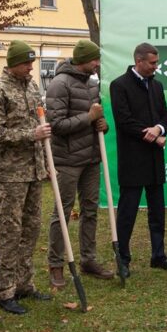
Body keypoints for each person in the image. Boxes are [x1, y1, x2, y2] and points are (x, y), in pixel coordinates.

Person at [0, 40, 52, 315]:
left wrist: (46, 160)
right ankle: (4, 289)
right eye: (26, 62)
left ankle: (25, 283)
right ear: (13, 63)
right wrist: (29, 135)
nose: (30, 67)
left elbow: (40, 123)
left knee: (31, 228)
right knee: (10, 232)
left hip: (34, 169)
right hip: (12, 173)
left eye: (32, 62)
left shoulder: (32, 87)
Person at [45, 39, 113, 286]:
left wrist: (102, 125)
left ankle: (88, 259)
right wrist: (88, 117)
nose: (97, 64)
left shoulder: (92, 84)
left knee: (90, 210)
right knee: (62, 212)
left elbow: (97, 120)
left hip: (92, 158)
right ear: (83, 59)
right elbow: (56, 126)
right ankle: (56, 264)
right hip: (68, 160)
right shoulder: (59, 85)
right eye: (95, 59)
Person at [109, 43, 167, 275]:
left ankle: (158, 256)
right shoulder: (119, 85)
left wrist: (159, 129)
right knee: (127, 213)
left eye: (157, 63)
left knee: (157, 212)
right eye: (152, 63)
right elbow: (124, 120)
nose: (156, 67)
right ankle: (123, 260)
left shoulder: (157, 86)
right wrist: (150, 135)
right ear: (139, 61)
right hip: (132, 160)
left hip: (154, 161)